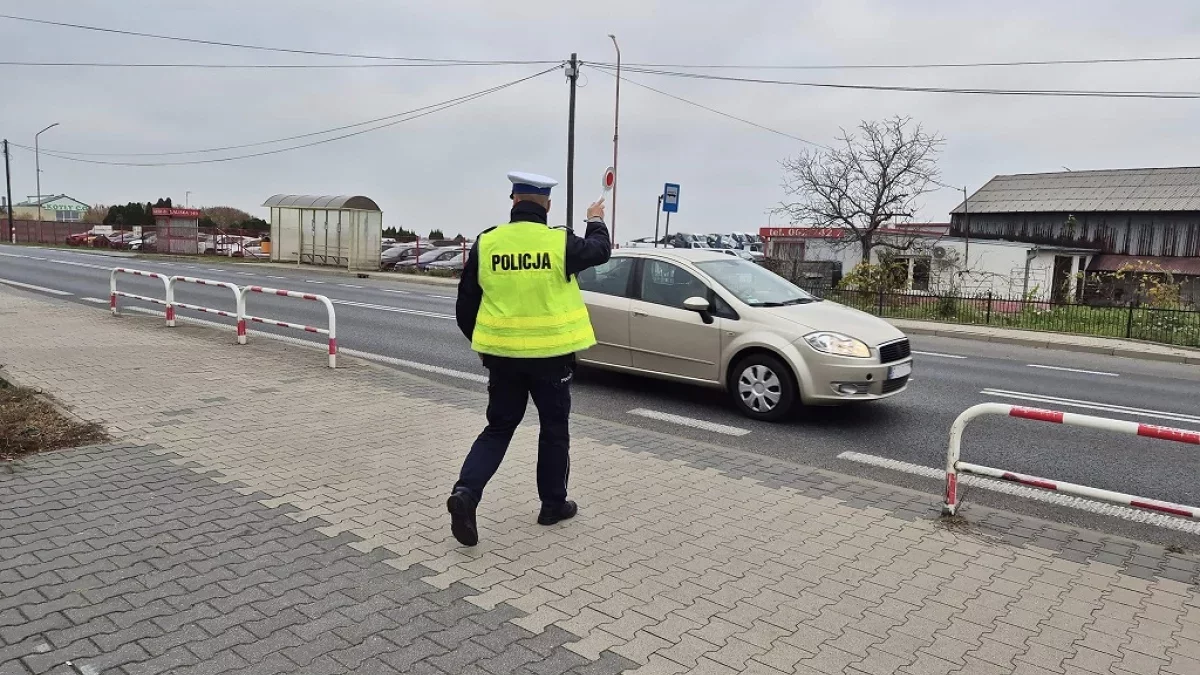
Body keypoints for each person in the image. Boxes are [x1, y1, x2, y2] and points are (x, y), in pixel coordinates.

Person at [447, 171, 611, 547]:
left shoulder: (488, 243)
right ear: (547, 205)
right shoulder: (558, 243)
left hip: (503, 359)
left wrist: (486, 342)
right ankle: (552, 504)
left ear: (513, 201)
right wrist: (595, 219)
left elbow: (465, 303)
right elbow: (600, 251)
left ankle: (466, 494)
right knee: (554, 429)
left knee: (499, 427)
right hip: (552, 359)